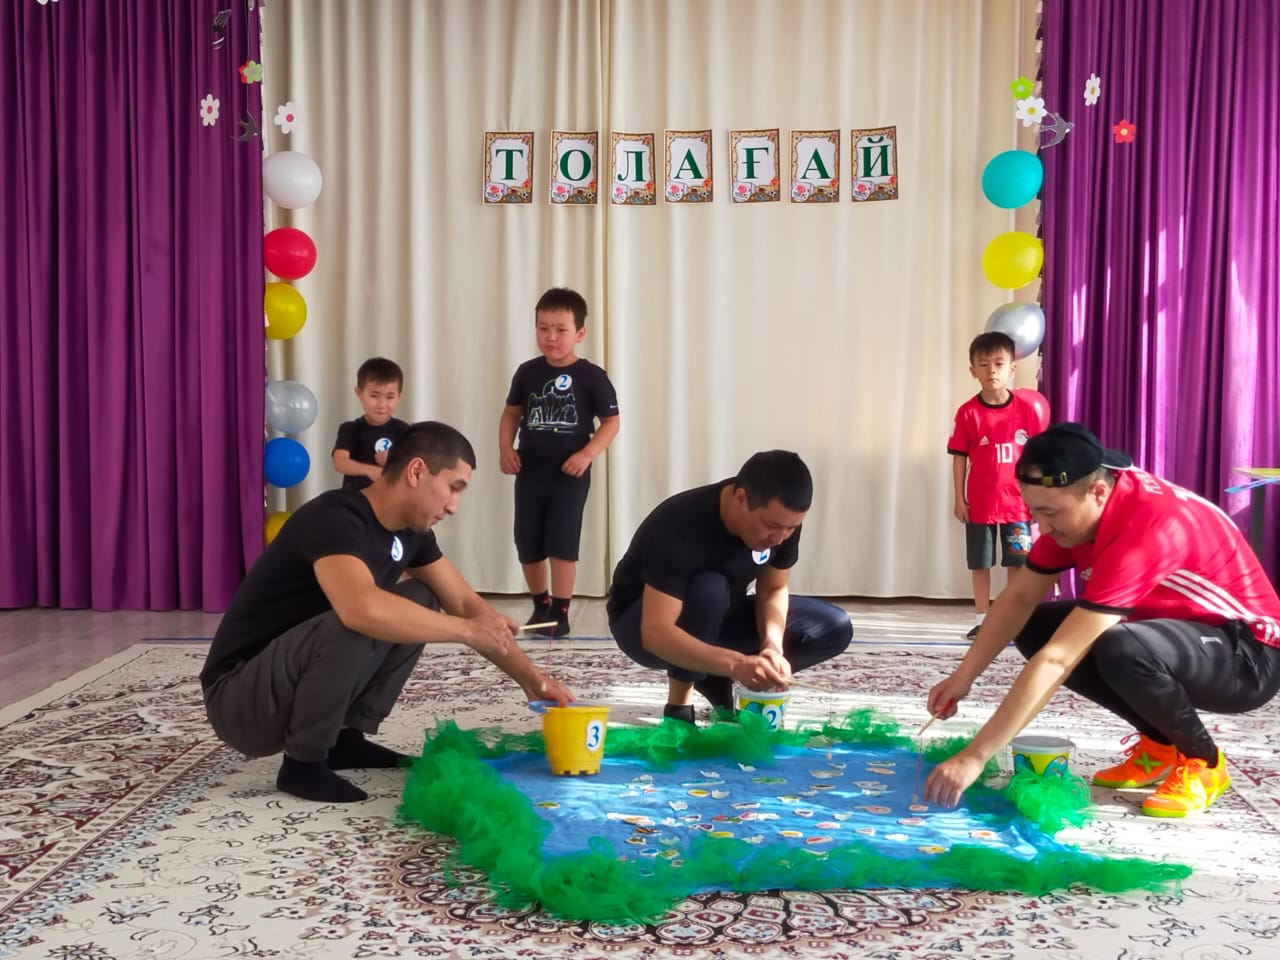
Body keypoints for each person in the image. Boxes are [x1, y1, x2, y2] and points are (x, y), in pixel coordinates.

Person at [201, 421, 573, 804]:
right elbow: (360, 608)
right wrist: (464, 631)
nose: (453, 506)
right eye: (453, 487)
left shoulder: (412, 534)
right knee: (361, 617)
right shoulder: (335, 516)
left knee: (422, 597)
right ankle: (303, 763)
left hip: (281, 683)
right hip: (239, 701)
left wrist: (533, 680)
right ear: (416, 471)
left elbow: (466, 605)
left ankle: (343, 738)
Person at [923, 422, 1280, 818]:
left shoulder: (1147, 528)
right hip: (1182, 634)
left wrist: (974, 756)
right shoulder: (1084, 507)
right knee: (1036, 627)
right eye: (1034, 512)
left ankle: (1204, 761)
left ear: (1096, 492)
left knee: (1119, 647)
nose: (1042, 527)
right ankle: (1161, 744)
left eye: (1050, 513)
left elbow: (1059, 659)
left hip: (1249, 655)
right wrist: (963, 677)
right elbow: (1019, 598)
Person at [607, 450, 853, 723]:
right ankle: (679, 708)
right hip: (640, 625)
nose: (779, 538)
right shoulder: (680, 524)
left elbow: (773, 589)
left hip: (720, 612)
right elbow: (656, 633)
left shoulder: (782, 525)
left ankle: (713, 675)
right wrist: (736, 664)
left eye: (792, 528)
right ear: (740, 498)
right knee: (709, 587)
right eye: (771, 525)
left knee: (833, 627)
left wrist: (772, 647)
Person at [499, 287, 620, 637]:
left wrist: (586, 454)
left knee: (561, 541)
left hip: (569, 475)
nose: (551, 336)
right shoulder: (527, 372)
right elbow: (511, 413)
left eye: (560, 329)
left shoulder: (592, 376)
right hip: (529, 471)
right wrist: (505, 448)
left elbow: (611, 422)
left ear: (580, 333)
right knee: (528, 541)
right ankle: (541, 604)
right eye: (543, 328)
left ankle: (561, 611)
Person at [948, 332, 1050, 639]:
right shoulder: (968, 413)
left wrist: (1039, 497)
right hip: (980, 504)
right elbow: (959, 458)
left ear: (1012, 368)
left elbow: (1038, 457)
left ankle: (1012, 619)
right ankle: (983, 619)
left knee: (1017, 563)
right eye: (983, 364)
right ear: (973, 371)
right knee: (980, 563)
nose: (991, 371)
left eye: (998, 363)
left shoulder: (1027, 411)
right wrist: (959, 499)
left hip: (1018, 505)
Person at [333, 357, 410, 491]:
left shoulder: (403, 430)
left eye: (390, 397)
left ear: (399, 396)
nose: (381, 405)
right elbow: (339, 462)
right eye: (374, 396)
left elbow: (414, 464)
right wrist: (369, 470)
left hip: (391, 499)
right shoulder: (350, 429)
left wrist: (393, 460)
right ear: (359, 393)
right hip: (356, 498)